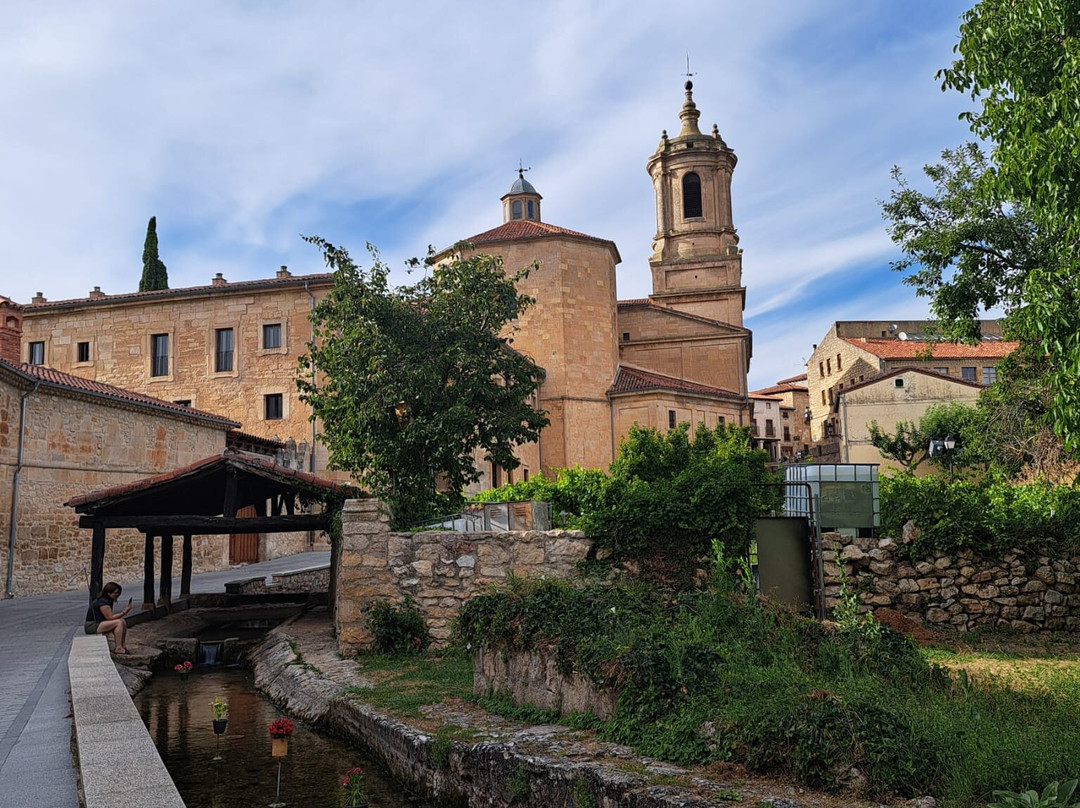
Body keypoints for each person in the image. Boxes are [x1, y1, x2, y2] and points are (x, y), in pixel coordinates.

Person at [84, 582, 132, 654]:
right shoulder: (103, 602)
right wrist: (124, 612)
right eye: (115, 593)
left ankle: (122, 645)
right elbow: (109, 618)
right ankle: (118, 648)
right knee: (118, 623)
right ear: (109, 593)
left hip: (100, 623)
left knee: (123, 621)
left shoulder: (108, 600)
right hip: (92, 625)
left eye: (118, 593)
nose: (117, 595)